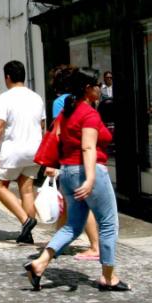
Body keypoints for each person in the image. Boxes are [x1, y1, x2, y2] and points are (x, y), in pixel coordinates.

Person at [23, 68, 128, 292]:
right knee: (109, 223)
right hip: (88, 171)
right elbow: (88, 146)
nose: (100, 88)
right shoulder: (88, 114)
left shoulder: (67, 112)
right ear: (88, 89)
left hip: (67, 172)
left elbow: (57, 137)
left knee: (73, 226)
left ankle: (40, 263)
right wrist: (90, 179)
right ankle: (108, 277)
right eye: (97, 85)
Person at [0, 60, 45, 245]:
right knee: (27, 189)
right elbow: (42, 125)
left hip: (14, 149)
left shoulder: (6, 97)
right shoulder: (36, 97)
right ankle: (27, 234)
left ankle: (25, 220)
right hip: (35, 149)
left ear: (8, 77)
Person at [47, 65, 100, 261]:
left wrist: (52, 162)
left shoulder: (62, 102)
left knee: (79, 205)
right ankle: (56, 245)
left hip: (70, 163)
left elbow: (57, 134)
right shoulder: (84, 102)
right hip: (82, 162)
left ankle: (94, 245)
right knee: (69, 205)